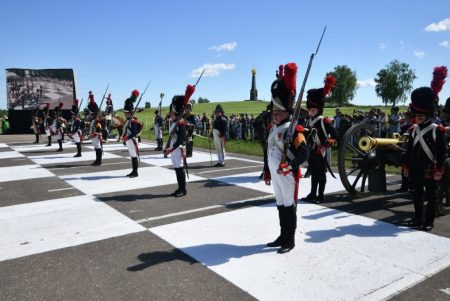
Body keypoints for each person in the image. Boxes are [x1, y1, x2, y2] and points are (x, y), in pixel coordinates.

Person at [263, 62, 308, 254]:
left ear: (287, 113)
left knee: (289, 206)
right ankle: (282, 236)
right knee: (280, 205)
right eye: (274, 113)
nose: (275, 115)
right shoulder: (274, 128)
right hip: (276, 173)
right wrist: (267, 171)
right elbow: (269, 151)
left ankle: (290, 240)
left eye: (278, 113)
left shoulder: (294, 129)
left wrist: (290, 165)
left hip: (288, 174)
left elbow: (303, 153)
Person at [404, 68, 447, 232]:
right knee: (416, 195)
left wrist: (440, 169)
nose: (418, 117)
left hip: (430, 167)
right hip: (416, 167)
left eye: (421, 115)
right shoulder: (414, 130)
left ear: (428, 113)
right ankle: (417, 218)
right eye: (417, 115)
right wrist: (406, 166)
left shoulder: (437, 130)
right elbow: (409, 150)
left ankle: (428, 221)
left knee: (431, 196)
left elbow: (442, 152)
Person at [303, 75, 338, 204]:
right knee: (313, 172)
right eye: (310, 109)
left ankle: (321, 196)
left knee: (321, 175)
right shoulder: (310, 121)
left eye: (313, 109)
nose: (311, 111)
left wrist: (325, 146)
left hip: (321, 151)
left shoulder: (324, 121)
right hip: (312, 151)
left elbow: (335, 136)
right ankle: (312, 194)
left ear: (319, 108)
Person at [164, 85, 195, 197]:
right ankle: (179, 188)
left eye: (171, 113)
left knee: (179, 168)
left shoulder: (181, 123)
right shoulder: (175, 122)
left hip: (178, 147)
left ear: (176, 113)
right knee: (176, 168)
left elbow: (181, 138)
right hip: (174, 146)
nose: (170, 115)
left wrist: (172, 148)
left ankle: (183, 189)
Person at [122, 90, 140, 177]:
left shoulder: (133, 121)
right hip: (129, 140)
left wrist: (127, 138)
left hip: (132, 140)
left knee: (134, 156)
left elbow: (134, 132)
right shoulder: (128, 120)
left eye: (126, 112)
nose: (125, 114)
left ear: (129, 112)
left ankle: (135, 172)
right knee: (132, 156)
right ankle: (133, 171)